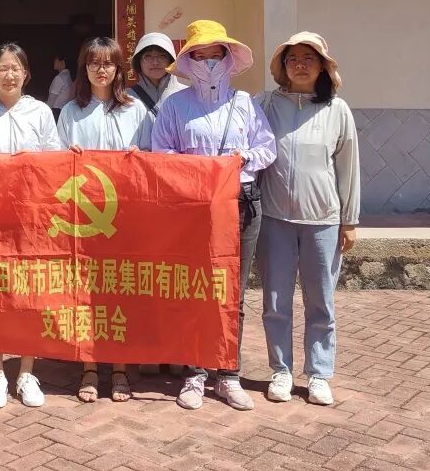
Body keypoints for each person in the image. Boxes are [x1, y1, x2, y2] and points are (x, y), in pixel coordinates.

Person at [151, 20, 276, 412]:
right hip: (193, 209)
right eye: (199, 55)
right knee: (196, 289)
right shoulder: (175, 106)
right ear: (189, 61)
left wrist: (241, 160)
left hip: (240, 204)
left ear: (227, 58)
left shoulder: (245, 104)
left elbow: (267, 148)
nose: (207, 62)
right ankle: (194, 373)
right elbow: (161, 153)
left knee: (231, 292)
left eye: (214, 55)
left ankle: (228, 373)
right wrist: (196, 171)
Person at [256, 32, 360, 407]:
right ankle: (281, 371)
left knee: (321, 301)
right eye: (293, 59)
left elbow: (348, 168)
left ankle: (318, 373)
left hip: (323, 221)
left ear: (323, 67)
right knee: (275, 300)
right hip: (274, 219)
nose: (300, 65)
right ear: (282, 66)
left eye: (308, 58)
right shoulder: (265, 104)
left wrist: (349, 220)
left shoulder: (337, 110)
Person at [0, 42, 62, 409]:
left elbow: (54, 164)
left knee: (30, 293)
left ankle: (27, 372)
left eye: (15, 67)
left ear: (26, 73)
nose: (9, 74)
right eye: (2, 68)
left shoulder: (41, 112)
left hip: (31, 218)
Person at [57, 37, 147, 403]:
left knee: (119, 289)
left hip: (126, 215)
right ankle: (90, 366)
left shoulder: (136, 110)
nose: (101, 69)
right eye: (93, 62)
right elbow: (54, 161)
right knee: (85, 291)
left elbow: (154, 158)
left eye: (108, 63)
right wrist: (68, 155)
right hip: (85, 217)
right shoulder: (70, 112)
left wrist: (140, 155)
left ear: (119, 68)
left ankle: (120, 368)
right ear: (84, 68)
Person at [128, 31, 189, 376]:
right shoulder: (125, 98)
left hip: (177, 197)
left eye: (161, 56)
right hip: (141, 197)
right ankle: (150, 347)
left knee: (175, 274)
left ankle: (176, 348)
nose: (154, 61)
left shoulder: (184, 95)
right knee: (144, 274)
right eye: (148, 56)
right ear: (138, 62)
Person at [47, 54, 74, 120]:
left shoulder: (59, 78)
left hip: (56, 112)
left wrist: (46, 112)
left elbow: (51, 99)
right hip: (64, 111)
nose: (54, 62)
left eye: (56, 60)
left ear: (62, 62)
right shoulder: (68, 77)